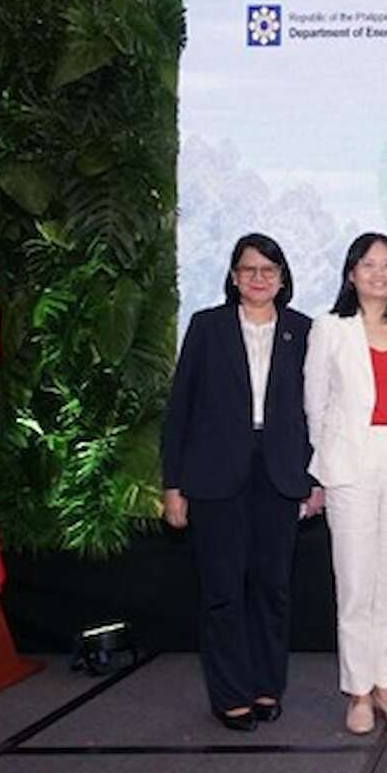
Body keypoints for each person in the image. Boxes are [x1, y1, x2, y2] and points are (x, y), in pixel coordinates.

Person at [162, 233, 320, 732]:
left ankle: (267, 686)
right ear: (233, 277)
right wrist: (173, 485)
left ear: (282, 279)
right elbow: (180, 409)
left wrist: (316, 478)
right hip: (214, 475)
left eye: (268, 270)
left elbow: (319, 413)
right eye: (248, 270)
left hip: (280, 473)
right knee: (223, 590)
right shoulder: (206, 327)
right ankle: (231, 694)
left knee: (272, 588)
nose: (258, 278)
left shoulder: (304, 331)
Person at [305, 232, 387, 735]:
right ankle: (358, 690)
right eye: (369, 264)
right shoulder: (330, 327)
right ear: (351, 273)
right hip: (350, 464)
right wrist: (323, 465)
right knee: (357, 582)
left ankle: (386, 683)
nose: (380, 274)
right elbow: (315, 403)